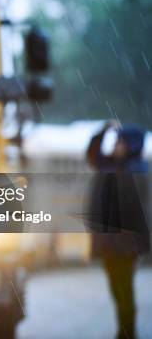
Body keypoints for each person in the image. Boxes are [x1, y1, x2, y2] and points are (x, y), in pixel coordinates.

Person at [86, 121, 150, 339]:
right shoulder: (115, 165)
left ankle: (127, 332)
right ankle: (125, 331)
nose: (116, 146)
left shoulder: (135, 170)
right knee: (117, 288)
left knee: (123, 289)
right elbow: (93, 154)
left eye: (121, 142)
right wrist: (103, 131)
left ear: (131, 145)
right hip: (110, 242)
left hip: (123, 244)